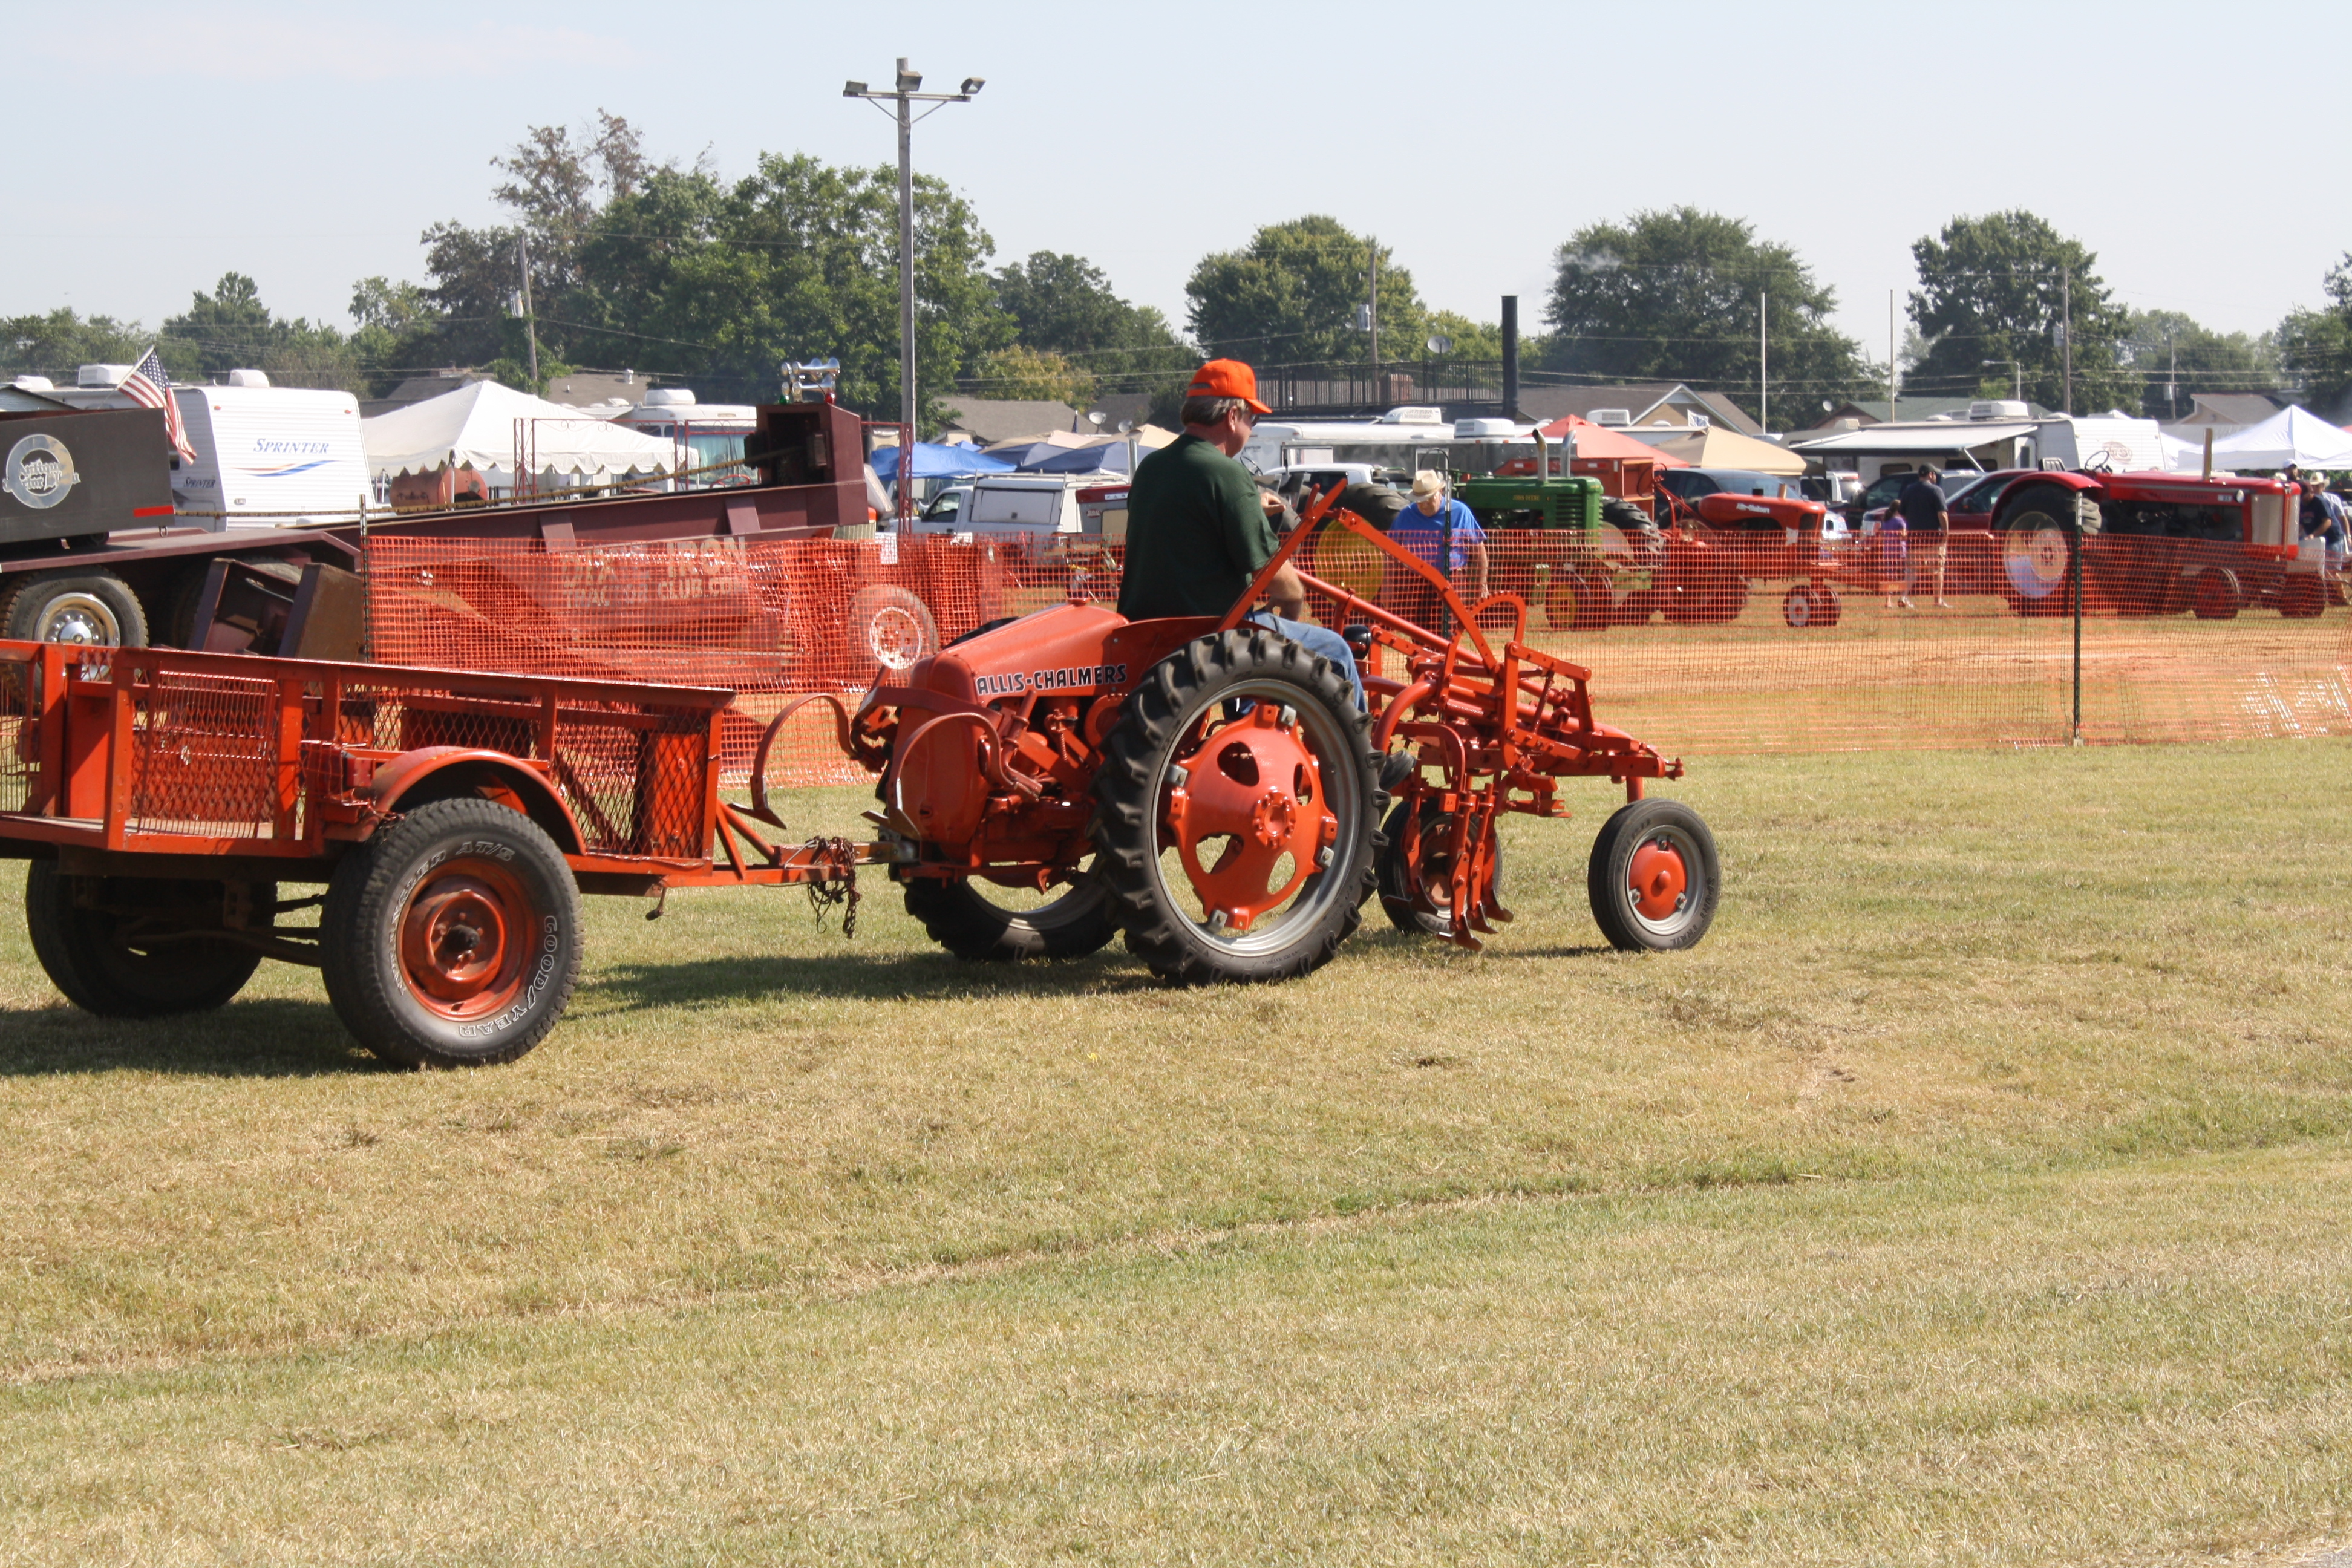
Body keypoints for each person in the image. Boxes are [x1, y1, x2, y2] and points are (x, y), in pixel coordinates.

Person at [1116, 358, 1362, 708]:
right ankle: (1362, 760)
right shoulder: (1228, 474)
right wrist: (1295, 598)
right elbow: (1272, 576)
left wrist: (1249, 506)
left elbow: (1189, 521)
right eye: (1252, 419)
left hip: (1148, 626)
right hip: (1211, 628)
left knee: (1260, 640)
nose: (1251, 429)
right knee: (1337, 650)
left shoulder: (1151, 468)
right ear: (1232, 416)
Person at [1385, 471, 1491, 631]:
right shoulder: (1406, 515)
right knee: (1419, 631)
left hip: (1452, 580)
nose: (1424, 505)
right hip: (1417, 582)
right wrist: (1388, 587)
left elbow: (1478, 552)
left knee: (1447, 631)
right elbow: (1390, 553)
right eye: (1419, 500)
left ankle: (1444, 657)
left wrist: (1481, 585)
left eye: (1428, 499)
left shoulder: (1460, 512)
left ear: (1440, 492)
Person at [1895, 465, 1952, 608]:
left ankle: (1903, 597)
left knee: (1911, 571)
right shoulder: (1936, 490)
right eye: (1935, 475)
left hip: (1914, 539)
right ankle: (1937, 601)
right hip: (1933, 539)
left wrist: (1910, 524)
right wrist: (1946, 533)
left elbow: (1901, 512)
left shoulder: (1909, 490)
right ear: (1931, 474)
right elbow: (1942, 514)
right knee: (1937, 570)